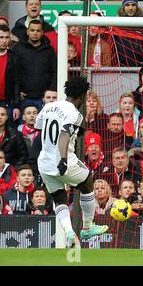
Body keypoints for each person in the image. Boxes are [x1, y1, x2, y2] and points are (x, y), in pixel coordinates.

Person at [35, 76, 108, 248]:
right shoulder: (75, 114)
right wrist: (62, 159)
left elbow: (38, 126)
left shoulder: (49, 106)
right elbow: (64, 134)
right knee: (88, 183)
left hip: (44, 163)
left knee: (59, 198)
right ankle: (88, 227)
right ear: (82, 96)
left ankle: (69, 232)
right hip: (63, 161)